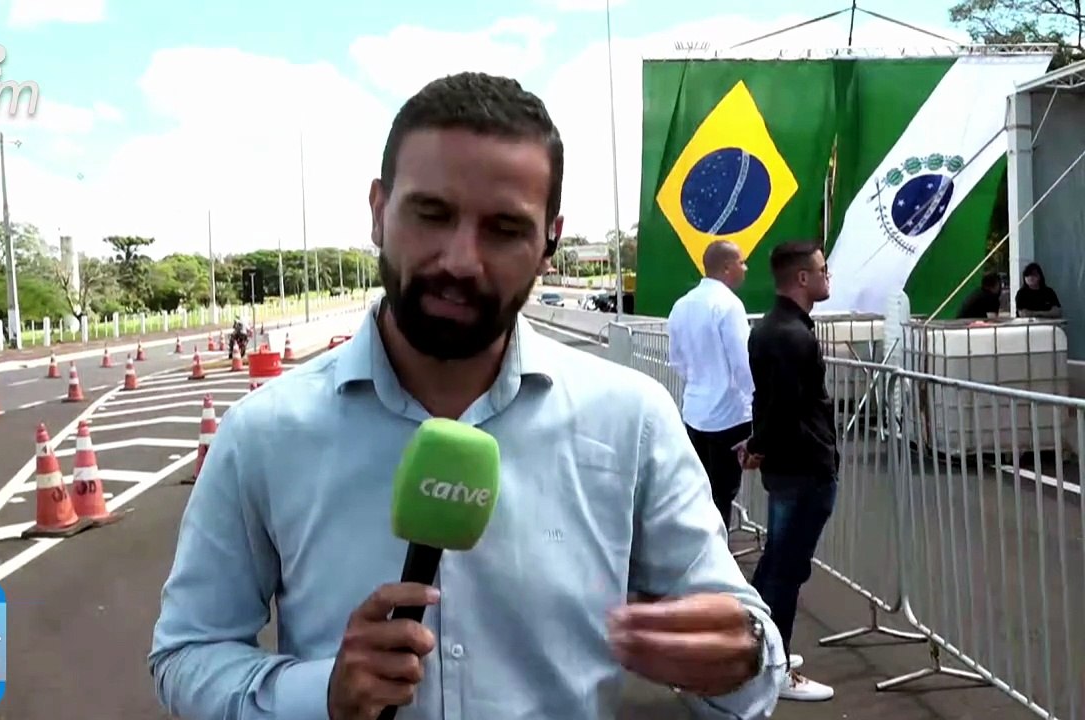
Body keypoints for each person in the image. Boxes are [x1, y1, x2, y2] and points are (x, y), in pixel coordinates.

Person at [149, 72, 786, 720]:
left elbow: (750, 654)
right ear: (378, 211)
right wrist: (323, 693)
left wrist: (737, 658)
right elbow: (189, 654)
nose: (460, 259)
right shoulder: (264, 433)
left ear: (549, 243)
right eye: (432, 214)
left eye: (505, 228)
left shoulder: (632, 422)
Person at [739, 240, 838, 703]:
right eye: (822, 270)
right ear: (802, 278)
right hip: (803, 468)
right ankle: (772, 669)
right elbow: (782, 407)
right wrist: (760, 444)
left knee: (778, 562)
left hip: (793, 464)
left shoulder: (775, 328)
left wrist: (759, 445)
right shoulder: (790, 335)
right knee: (786, 568)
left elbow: (771, 403)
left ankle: (759, 651)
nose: (827, 276)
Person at [667, 240, 753, 529]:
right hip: (728, 416)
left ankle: (697, 552)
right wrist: (758, 404)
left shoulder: (680, 305)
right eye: (741, 262)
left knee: (700, 491)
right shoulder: (729, 306)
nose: (745, 268)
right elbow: (743, 365)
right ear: (727, 268)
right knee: (722, 495)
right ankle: (717, 559)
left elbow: (677, 361)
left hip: (695, 412)